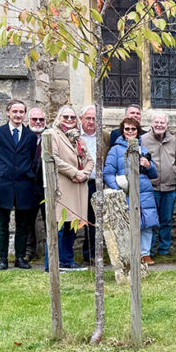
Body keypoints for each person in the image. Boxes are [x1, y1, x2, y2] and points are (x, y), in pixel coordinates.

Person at [0, 99, 39, 270]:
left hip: (24, 184)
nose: (18, 115)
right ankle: (2, 258)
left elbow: (32, 158)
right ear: (8, 112)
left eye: (21, 112)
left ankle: (20, 257)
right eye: (14, 111)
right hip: (3, 184)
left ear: (24, 114)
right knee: (2, 225)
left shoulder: (31, 136)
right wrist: (4, 171)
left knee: (23, 225)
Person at [103, 116, 159, 264]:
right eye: (127, 129)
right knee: (128, 224)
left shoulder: (144, 149)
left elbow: (154, 174)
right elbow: (108, 174)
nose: (130, 131)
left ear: (138, 131)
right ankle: (129, 255)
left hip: (144, 192)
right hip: (126, 192)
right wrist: (118, 191)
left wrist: (148, 165)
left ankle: (145, 254)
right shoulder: (115, 150)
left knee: (146, 223)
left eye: (133, 129)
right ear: (122, 131)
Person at [49, 106, 95, 270]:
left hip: (78, 187)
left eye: (72, 117)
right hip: (63, 185)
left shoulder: (78, 139)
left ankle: (67, 261)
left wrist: (85, 173)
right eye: (65, 117)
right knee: (59, 225)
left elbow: (90, 160)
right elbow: (53, 158)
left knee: (72, 225)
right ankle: (54, 263)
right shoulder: (52, 134)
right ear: (58, 118)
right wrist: (75, 172)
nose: (69, 120)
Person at [144, 110, 176, 259]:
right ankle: (150, 250)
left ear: (167, 124)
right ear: (152, 123)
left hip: (169, 187)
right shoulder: (143, 140)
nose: (159, 125)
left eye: (162, 122)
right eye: (157, 122)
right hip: (151, 187)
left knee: (167, 220)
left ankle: (164, 248)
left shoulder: (173, 140)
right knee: (151, 220)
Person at [24, 106, 47, 262]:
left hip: (47, 186)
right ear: (29, 120)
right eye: (34, 119)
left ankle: (51, 252)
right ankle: (28, 251)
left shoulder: (51, 135)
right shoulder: (23, 135)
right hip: (27, 186)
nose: (38, 122)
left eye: (41, 119)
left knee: (50, 220)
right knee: (27, 221)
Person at [78, 106, 100, 265]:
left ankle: (90, 254)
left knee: (94, 220)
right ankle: (67, 255)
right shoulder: (74, 136)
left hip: (96, 185)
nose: (91, 122)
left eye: (94, 119)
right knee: (73, 217)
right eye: (88, 118)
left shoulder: (104, 137)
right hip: (77, 184)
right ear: (81, 119)